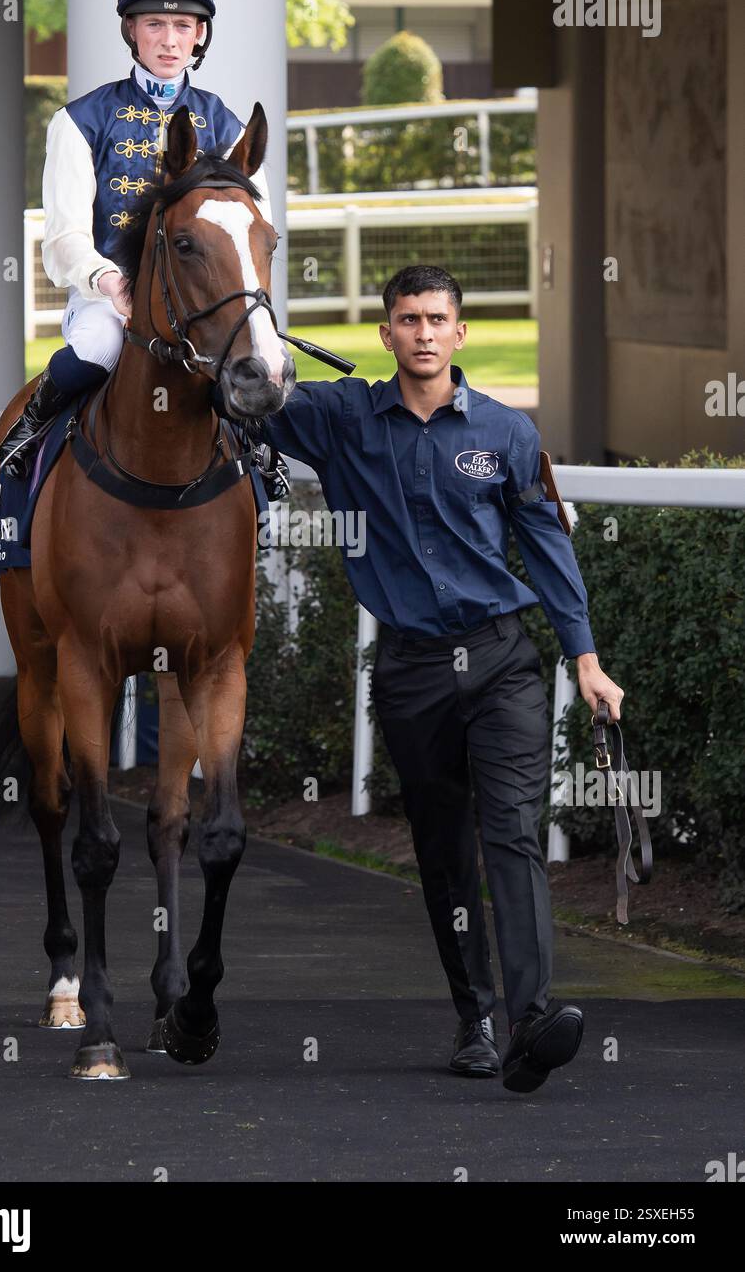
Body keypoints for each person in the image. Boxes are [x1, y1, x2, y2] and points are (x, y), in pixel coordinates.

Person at [232, 264, 624, 1093]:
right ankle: (475, 1017)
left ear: (459, 333)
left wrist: (585, 658)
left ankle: (532, 1018)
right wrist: (243, 333)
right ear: (386, 334)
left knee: (513, 834)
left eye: (436, 319)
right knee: (444, 854)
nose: (422, 332)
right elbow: (245, 401)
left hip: (503, 660)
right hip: (411, 672)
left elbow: (548, 548)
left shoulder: (508, 434)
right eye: (407, 319)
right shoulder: (339, 418)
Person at [0, 0, 271, 477]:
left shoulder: (230, 125)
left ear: (200, 36)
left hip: (201, 305)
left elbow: (255, 235)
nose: (169, 40)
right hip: (108, 303)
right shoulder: (79, 121)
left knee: (251, 356)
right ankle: (29, 431)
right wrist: (107, 281)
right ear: (131, 30)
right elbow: (64, 239)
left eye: (183, 25)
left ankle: (261, 462)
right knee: (99, 344)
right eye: (155, 24)